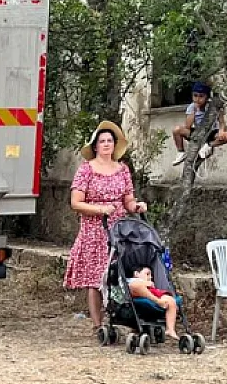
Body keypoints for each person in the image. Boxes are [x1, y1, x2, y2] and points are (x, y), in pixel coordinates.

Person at [62, 122, 147, 327]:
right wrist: (100, 209)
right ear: (95, 146)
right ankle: (97, 324)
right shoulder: (86, 170)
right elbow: (76, 202)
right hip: (94, 230)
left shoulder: (123, 169)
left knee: (117, 273)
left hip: (117, 231)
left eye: (110, 141)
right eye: (102, 141)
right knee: (95, 278)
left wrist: (136, 207)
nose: (106, 144)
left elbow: (128, 200)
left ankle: (118, 317)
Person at [172, 82, 227, 164]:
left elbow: (222, 122)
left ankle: (209, 145)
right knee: (177, 130)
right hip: (197, 132)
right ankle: (180, 152)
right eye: (195, 95)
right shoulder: (192, 107)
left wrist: (221, 131)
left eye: (201, 96)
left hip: (211, 133)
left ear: (207, 97)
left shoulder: (213, 107)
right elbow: (187, 126)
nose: (198, 99)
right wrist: (194, 111)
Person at [125, 265, 181, 341]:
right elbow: (133, 286)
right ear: (136, 274)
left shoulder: (150, 284)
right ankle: (158, 302)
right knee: (135, 285)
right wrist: (145, 283)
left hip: (154, 294)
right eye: (147, 274)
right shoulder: (131, 280)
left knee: (171, 300)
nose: (150, 277)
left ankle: (170, 329)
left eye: (151, 275)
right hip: (140, 295)